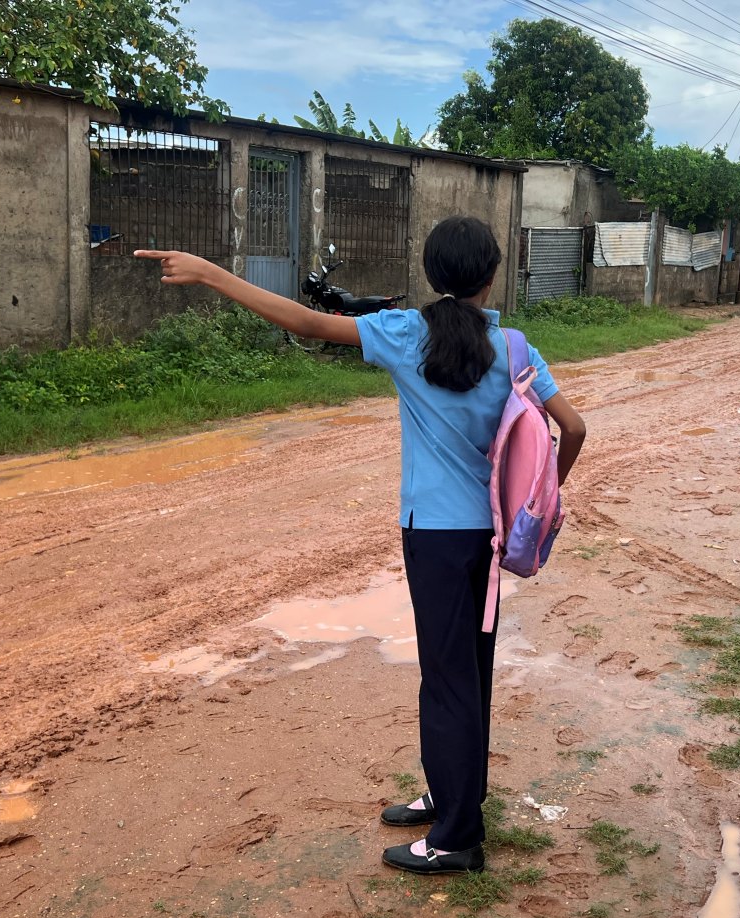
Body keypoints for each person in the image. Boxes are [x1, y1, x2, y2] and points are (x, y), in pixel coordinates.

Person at [135, 217, 586, 876]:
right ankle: (453, 794)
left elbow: (307, 322)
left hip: (433, 537)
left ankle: (458, 836)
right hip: (488, 537)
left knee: (447, 682)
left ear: (432, 275)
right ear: (493, 275)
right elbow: (571, 428)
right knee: (468, 676)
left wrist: (209, 273)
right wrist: (533, 512)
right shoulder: (516, 348)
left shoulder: (408, 334)